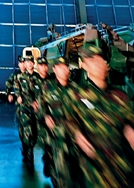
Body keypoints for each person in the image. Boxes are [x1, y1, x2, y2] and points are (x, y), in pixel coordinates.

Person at [63, 41, 134, 187]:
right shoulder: (76, 96)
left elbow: (131, 120)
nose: (99, 64)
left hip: (119, 166)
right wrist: (77, 134)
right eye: (93, 60)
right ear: (84, 65)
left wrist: (129, 128)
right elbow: (69, 121)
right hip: (92, 167)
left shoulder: (120, 96)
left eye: (101, 60)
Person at [41, 57, 81, 188]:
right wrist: (46, 115)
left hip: (73, 136)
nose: (65, 70)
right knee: (62, 171)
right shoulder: (48, 87)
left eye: (66, 67)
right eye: (61, 67)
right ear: (55, 69)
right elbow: (42, 105)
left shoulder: (76, 89)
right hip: (56, 136)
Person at [10, 56, 38, 169]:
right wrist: (17, 96)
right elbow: (16, 88)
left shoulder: (37, 77)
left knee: (35, 134)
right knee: (27, 132)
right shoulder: (20, 77)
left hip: (36, 110)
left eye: (31, 62)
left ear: (34, 63)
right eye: (27, 62)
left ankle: (27, 149)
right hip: (24, 108)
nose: (29, 64)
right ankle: (29, 156)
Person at [30, 57, 55, 178]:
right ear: (37, 66)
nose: (43, 67)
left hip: (51, 114)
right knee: (42, 139)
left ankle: (49, 160)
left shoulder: (52, 80)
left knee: (51, 140)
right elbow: (28, 93)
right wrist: (32, 102)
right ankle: (46, 158)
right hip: (38, 115)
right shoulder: (33, 80)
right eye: (41, 65)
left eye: (45, 65)